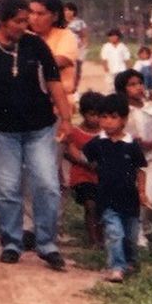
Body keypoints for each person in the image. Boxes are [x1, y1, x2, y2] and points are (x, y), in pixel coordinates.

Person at [0, 0, 74, 271]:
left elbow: (54, 82)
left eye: (29, 20)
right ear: (2, 19)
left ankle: (47, 244)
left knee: (47, 184)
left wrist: (67, 119)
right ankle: (12, 243)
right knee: (6, 189)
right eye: (20, 21)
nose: (27, 25)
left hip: (40, 129)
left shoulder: (36, 45)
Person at [69, 94, 148, 283]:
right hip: (106, 198)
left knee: (130, 235)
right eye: (103, 117)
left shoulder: (132, 145)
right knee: (114, 233)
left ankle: (130, 261)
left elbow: (140, 170)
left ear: (124, 119)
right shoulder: (98, 143)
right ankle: (116, 267)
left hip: (130, 199)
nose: (107, 122)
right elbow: (82, 155)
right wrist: (68, 144)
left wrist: (142, 193)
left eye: (113, 117)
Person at [118, 69, 152, 248]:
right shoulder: (120, 112)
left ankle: (146, 227)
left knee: (150, 197)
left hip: (148, 162)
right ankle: (136, 236)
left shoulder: (151, 109)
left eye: (140, 83)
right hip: (127, 163)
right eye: (132, 84)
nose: (138, 88)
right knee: (131, 198)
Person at [63, 90, 104, 245]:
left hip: (100, 177)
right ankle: (93, 240)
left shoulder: (105, 133)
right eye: (92, 114)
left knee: (101, 207)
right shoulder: (75, 132)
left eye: (99, 115)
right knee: (90, 205)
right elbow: (71, 153)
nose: (95, 119)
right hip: (82, 176)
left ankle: (101, 237)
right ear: (83, 113)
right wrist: (86, 163)